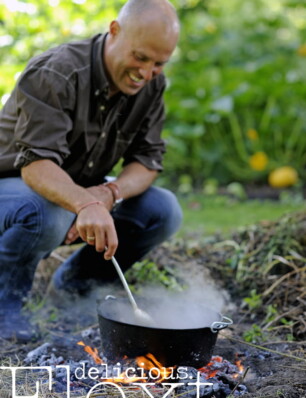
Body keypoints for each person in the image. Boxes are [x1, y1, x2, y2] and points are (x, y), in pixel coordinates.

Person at [0, 0, 182, 342]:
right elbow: (36, 169)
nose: (146, 73)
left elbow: (147, 162)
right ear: (115, 31)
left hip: (74, 191)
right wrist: (85, 204)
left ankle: (74, 289)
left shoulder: (152, 86)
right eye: (140, 58)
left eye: (159, 63)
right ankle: (6, 305)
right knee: (45, 212)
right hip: (12, 191)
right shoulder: (57, 73)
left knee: (162, 210)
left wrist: (108, 193)